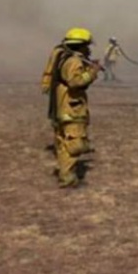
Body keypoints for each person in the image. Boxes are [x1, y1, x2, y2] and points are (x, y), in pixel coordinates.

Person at [48, 28, 102, 187]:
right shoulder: (74, 61)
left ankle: (66, 175)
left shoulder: (64, 57)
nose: (89, 49)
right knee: (74, 143)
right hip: (71, 106)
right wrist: (93, 72)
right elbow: (76, 82)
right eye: (87, 46)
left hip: (63, 105)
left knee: (64, 142)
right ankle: (68, 177)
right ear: (80, 46)